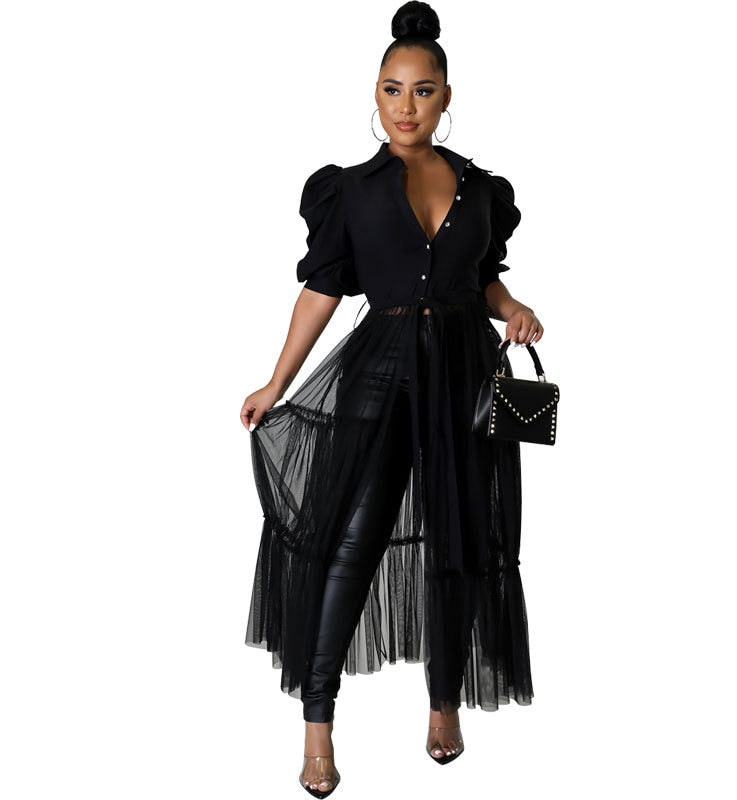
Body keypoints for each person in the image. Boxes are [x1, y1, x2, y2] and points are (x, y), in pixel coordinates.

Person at [239, 2, 544, 795]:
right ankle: (317, 723)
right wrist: (276, 381)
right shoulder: (348, 190)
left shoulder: (481, 189)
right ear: (375, 95)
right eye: (392, 90)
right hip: (380, 371)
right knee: (352, 543)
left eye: (423, 91)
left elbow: (481, 279)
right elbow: (323, 289)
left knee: (460, 541)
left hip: (465, 374)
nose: (406, 107)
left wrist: (512, 307)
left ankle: (445, 703)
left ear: (447, 97)